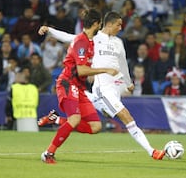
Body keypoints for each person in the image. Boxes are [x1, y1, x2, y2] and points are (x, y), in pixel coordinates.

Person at [38, 11, 166, 163]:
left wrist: (129, 82)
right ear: (109, 24)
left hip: (115, 87)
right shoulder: (92, 38)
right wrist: (49, 30)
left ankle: (57, 119)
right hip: (103, 88)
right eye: (118, 24)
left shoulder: (119, 42)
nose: (121, 27)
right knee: (126, 116)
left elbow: (123, 64)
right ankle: (152, 151)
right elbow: (68, 37)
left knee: (96, 127)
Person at [37, 9, 118, 164]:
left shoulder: (89, 41)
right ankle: (48, 153)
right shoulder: (81, 42)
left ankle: (56, 120)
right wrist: (105, 70)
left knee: (95, 126)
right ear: (95, 24)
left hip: (79, 87)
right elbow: (81, 70)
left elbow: (67, 37)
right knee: (74, 119)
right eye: (100, 24)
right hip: (68, 83)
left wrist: (49, 30)